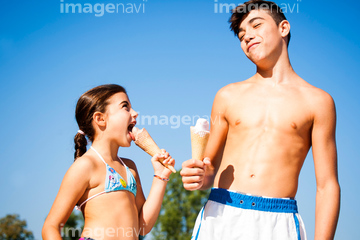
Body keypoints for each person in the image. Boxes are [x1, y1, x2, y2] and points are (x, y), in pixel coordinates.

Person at [180, 1, 340, 239]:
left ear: (283, 28)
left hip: (279, 222)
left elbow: (327, 185)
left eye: (256, 25)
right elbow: (209, 169)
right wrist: (197, 176)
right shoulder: (227, 95)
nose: (247, 36)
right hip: (222, 214)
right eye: (241, 34)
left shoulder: (318, 102)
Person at [42, 84, 175, 240]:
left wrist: (160, 177)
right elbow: (51, 227)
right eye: (125, 107)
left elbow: (143, 227)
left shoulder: (129, 167)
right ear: (100, 119)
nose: (135, 113)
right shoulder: (86, 165)